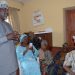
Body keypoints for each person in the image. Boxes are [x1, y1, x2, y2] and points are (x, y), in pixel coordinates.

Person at [0, 0, 19, 75]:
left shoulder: (8, 24)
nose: (7, 12)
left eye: (7, 10)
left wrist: (16, 39)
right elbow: (7, 38)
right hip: (3, 67)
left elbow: (12, 42)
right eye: (5, 9)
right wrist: (7, 37)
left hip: (13, 64)